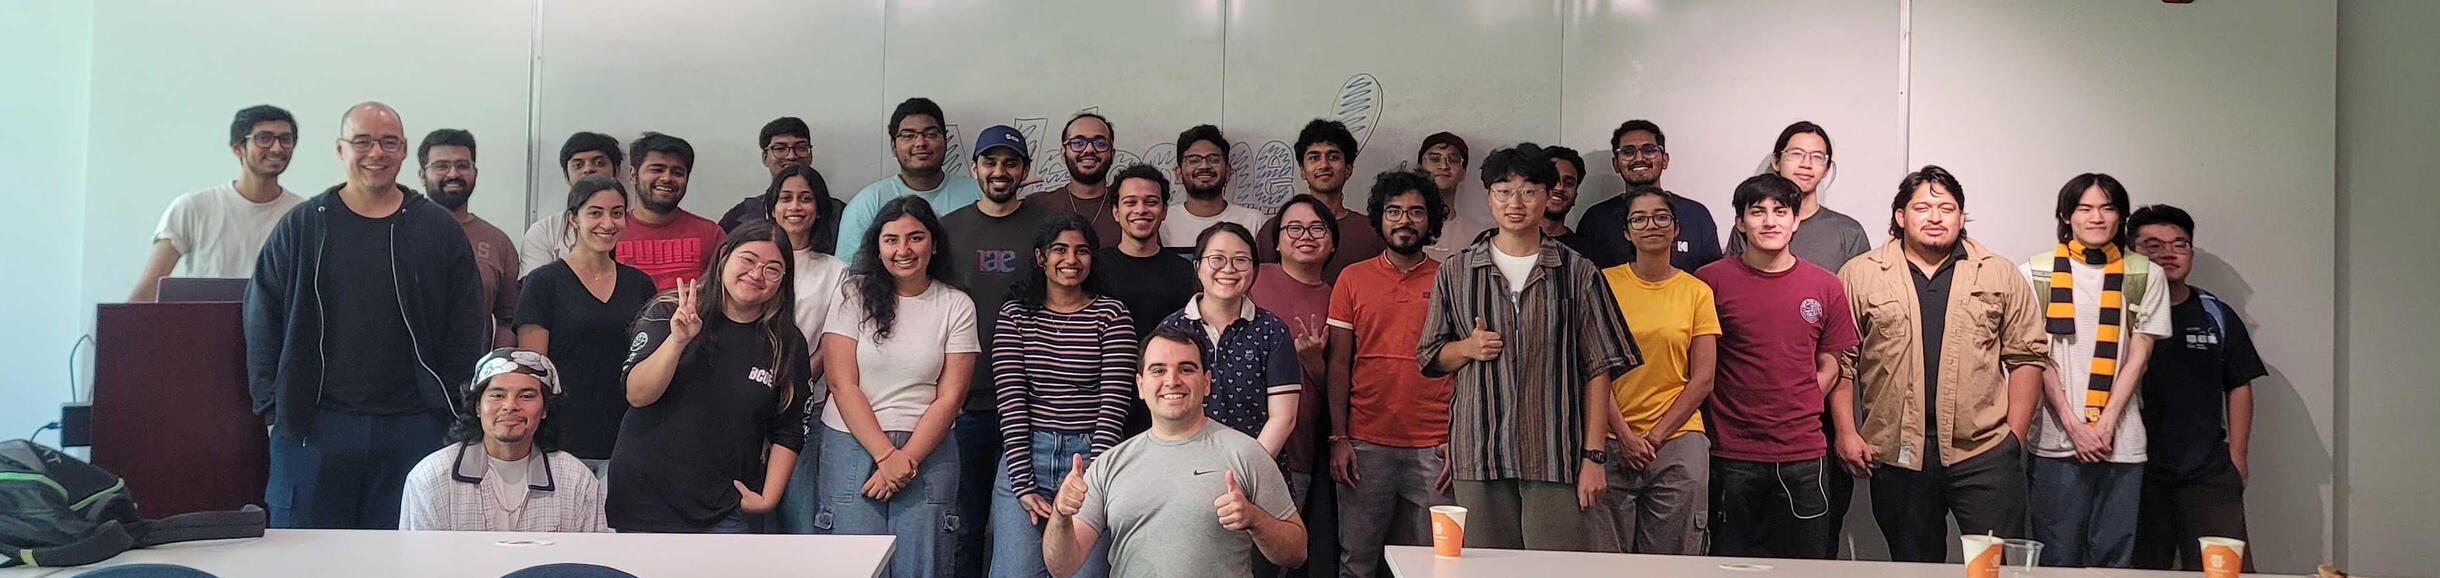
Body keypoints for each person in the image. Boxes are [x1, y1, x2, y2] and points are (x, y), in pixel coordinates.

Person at [245, 102, 484, 529]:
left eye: (388, 142)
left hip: (415, 428)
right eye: (362, 142)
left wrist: (449, 409)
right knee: (303, 559)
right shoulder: (303, 226)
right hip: (314, 426)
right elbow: (263, 320)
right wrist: (273, 409)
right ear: (340, 149)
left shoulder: (438, 230)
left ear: (404, 150)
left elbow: (466, 327)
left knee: (403, 560)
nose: (376, 152)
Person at [1416, 143, 1641, 552]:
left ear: (1547, 195)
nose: (1514, 202)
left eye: (1528, 191)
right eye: (1503, 190)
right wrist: (1466, 347)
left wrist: (1594, 457)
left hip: (1556, 453)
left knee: (1555, 567)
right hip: (1480, 450)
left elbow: (1599, 369)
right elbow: (1431, 356)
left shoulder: (1578, 271)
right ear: (1488, 196)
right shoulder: (1457, 270)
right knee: (1485, 567)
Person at [1834, 166, 2042, 562]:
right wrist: (1847, 431)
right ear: (1900, 216)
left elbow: (2027, 356)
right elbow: (1841, 361)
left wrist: (2013, 437)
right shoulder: (1861, 274)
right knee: (1914, 566)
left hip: (1984, 452)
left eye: (1946, 208)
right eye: (1922, 207)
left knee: (1992, 568)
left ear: (1961, 218)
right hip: (1898, 454)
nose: (1934, 217)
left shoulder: (1998, 272)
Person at [1042, 325, 1309, 578]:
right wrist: (1061, 515)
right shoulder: (1109, 464)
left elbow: (1296, 551)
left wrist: (1254, 518)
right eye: (1158, 370)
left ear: (1206, 383)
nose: (1172, 380)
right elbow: (1062, 566)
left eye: (1186, 369)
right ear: (1140, 385)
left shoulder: (1246, 453)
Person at [608, 220, 815, 533]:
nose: (757, 274)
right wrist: (677, 341)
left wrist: (768, 498)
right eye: (748, 260)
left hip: (725, 507)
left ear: (783, 281)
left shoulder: (786, 342)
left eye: (772, 269)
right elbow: (637, 394)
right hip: (643, 499)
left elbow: (789, 426)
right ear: (723, 257)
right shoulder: (670, 311)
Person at [1722, 122, 1873, 550]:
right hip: (1739, 425)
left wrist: (1814, 397)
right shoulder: (1730, 258)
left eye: (1817, 156)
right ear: (1777, 159)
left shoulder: (1846, 234)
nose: (1806, 164)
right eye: (1796, 153)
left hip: (1813, 419)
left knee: (1812, 541)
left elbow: (1843, 343)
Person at [1695, 173, 1860, 560]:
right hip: (1730, 453)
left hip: (1803, 454)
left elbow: (1833, 362)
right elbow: (1697, 365)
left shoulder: (1826, 286)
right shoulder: (1709, 282)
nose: (1770, 221)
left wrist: (1800, 398)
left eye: (1780, 211)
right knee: (1730, 564)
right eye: (1758, 212)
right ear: (1740, 222)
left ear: (1796, 220)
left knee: (1806, 565)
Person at [818, 197, 980, 577]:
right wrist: (886, 456)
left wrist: (905, 460)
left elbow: (951, 396)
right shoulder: (852, 295)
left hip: (927, 447)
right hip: (851, 442)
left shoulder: (956, 305)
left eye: (915, 238)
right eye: (891, 239)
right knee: (853, 564)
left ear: (934, 243)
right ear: (878, 245)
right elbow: (842, 384)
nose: (903, 250)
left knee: (923, 564)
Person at [2019, 173, 2170, 568]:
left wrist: (2104, 424)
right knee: (2056, 554)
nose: (2096, 217)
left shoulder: (2145, 273)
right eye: (2084, 208)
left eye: (2107, 208)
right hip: (2054, 439)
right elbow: (2036, 356)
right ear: (2066, 215)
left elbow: (2140, 355)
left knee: (2114, 556)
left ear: (2120, 216)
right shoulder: (2036, 272)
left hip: (2121, 440)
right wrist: (2073, 424)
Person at [987, 214, 1138, 578]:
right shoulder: (1016, 314)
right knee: (1015, 572)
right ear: (1041, 257)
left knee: (1084, 572)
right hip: (1026, 455)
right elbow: (1011, 399)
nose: (1071, 259)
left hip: (1090, 458)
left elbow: (1114, 405)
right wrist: (1022, 482)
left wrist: (1091, 476)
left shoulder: (1112, 315)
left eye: (1082, 251)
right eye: (1060, 249)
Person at [1327, 170, 1456, 577]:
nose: (1404, 220)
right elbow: (1339, 364)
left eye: (1416, 212)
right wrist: (1339, 437)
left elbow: (1467, 363)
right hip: (1365, 445)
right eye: (1394, 211)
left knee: (1437, 566)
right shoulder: (1352, 278)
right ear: (1379, 219)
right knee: (1357, 563)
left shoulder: (1451, 277)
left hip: (1437, 447)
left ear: (1431, 219)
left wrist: (1459, 439)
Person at [942, 125, 1058, 573]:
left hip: (1035, 406)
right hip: (965, 405)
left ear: (1025, 171)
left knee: (1032, 525)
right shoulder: (948, 230)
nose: (1000, 171)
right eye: (990, 162)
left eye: (1010, 162)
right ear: (974, 169)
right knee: (966, 527)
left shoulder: (1045, 230)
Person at [2126, 204, 2260, 572]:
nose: (2168, 253)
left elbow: (2239, 384)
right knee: (2137, 569)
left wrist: (2238, 456)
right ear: (2131, 253)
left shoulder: (2216, 313)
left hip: (2207, 473)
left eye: (2179, 244)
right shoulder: (2118, 310)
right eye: (2152, 245)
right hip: (2134, 470)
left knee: (2223, 570)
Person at [1589, 185, 1719, 555]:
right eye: (1639, 219)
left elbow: (1703, 377)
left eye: (1662, 217)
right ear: (1627, 232)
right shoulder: (1602, 283)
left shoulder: (1697, 292)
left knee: (1672, 561)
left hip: (1678, 440)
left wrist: (1654, 437)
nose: (1652, 226)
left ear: (1676, 228)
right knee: (1606, 561)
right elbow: (1593, 367)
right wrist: (1626, 435)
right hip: (1611, 439)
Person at [512, 175, 657, 475]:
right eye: (595, 212)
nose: (608, 222)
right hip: (562, 439)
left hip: (626, 437)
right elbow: (533, 370)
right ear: (573, 219)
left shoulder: (640, 285)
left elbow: (648, 362)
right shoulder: (543, 283)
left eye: (617, 213)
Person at [400, 348, 608, 532]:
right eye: (497, 395)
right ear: (477, 407)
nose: (510, 406)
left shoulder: (576, 481)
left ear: (545, 409)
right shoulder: (429, 478)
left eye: (526, 396)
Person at [1248, 194, 1339, 578]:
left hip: (1296, 449)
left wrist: (1313, 361)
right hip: (1232, 440)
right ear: (1278, 239)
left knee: (1273, 561)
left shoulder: (1340, 294)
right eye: (1294, 228)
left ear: (1332, 241)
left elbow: (1337, 385)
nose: (1306, 236)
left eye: (1317, 228)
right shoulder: (1251, 276)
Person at [129, 104, 305, 302]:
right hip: (203, 327)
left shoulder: (304, 215)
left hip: (277, 331)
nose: (277, 148)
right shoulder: (193, 208)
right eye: (264, 139)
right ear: (238, 148)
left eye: (285, 140)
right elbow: (148, 288)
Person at [1163, 223, 1302, 460]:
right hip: (1184, 466)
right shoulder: (1172, 330)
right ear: (1197, 267)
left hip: (1258, 466)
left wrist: (1247, 470)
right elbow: (1163, 405)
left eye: (1240, 260)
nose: (1228, 269)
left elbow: (1283, 418)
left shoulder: (1272, 331)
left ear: (1254, 270)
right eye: (1217, 259)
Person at [766, 163, 852, 535]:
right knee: (751, 513)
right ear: (772, 207)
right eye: (786, 198)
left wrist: (792, 386)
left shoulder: (836, 271)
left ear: (818, 209)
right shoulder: (755, 260)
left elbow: (832, 341)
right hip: (745, 407)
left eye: (805, 198)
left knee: (801, 513)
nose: (795, 206)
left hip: (805, 407)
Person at [1095, 165, 1199, 436]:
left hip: (1168, 401)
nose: (1141, 209)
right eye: (1130, 202)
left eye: (1151, 202)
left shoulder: (1185, 272)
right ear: (1115, 212)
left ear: (1164, 211)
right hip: (1102, 405)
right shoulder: (1094, 267)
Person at [836, 98, 983, 259]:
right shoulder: (867, 203)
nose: (920, 142)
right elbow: (850, 275)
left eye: (931, 134)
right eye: (908, 136)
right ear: (893, 146)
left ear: (945, 141)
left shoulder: (978, 195)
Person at [418, 128, 519, 347]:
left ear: (475, 173)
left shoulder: (498, 242)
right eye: (441, 165)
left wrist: (494, 373)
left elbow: (508, 321)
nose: (453, 174)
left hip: (472, 377)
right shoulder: (399, 232)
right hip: (405, 376)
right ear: (422, 175)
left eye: (463, 165)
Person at [1577, 120, 1722, 271]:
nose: (1639, 158)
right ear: (1615, 164)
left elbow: (1712, 278)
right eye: (1628, 152)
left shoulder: (1696, 215)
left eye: (1649, 150)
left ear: (1665, 160)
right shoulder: (1595, 220)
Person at [1258, 120, 1384, 282]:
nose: (1324, 165)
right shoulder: (1276, 231)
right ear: (1303, 171)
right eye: (1314, 157)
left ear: (1348, 169)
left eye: (1333, 157)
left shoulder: (1371, 232)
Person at [617, 132, 727, 291]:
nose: (667, 178)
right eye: (657, 169)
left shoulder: (711, 233)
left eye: (677, 172)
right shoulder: (611, 231)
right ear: (633, 175)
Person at [718, 117, 846, 252]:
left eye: (801, 147)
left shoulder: (838, 214)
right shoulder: (742, 216)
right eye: (780, 148)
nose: (791, 156)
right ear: (765, 158)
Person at [521, 132, 626, 276]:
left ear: (616, 171)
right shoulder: (544, 231)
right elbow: (536, 289)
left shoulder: (625, 225)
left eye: (599, 163)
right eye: (578, 165)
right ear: (566, 175)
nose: (588, 169)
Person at [1163, 124, 1265, 252]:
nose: (1204, 166)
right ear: (1178, 174)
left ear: (1228, 172)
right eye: (1194, 160)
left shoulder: (1253, 222)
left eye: (1214, 160)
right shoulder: (1162, 221)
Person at [1027, 113, 1125, 244]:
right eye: (1078, 143)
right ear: (1063, 153)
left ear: (1112, 154)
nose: (1089, 149)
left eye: (1100, 143)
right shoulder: (1037, 205)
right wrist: (1009, 187)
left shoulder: (1129, 206)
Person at [1416, 132, 1482, 263]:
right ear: (1420, 167)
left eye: (1453, 159)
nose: (1444, 166)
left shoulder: (1478, 236)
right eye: (1435, 158)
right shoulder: (1404, 227)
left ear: (1463, 172)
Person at [1541, 146, 1606, 263]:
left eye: (1569, 183)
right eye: (1551, 179)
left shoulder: (1590, 255)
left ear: (1575, 196)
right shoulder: (1503, 242)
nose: (1559, 187)